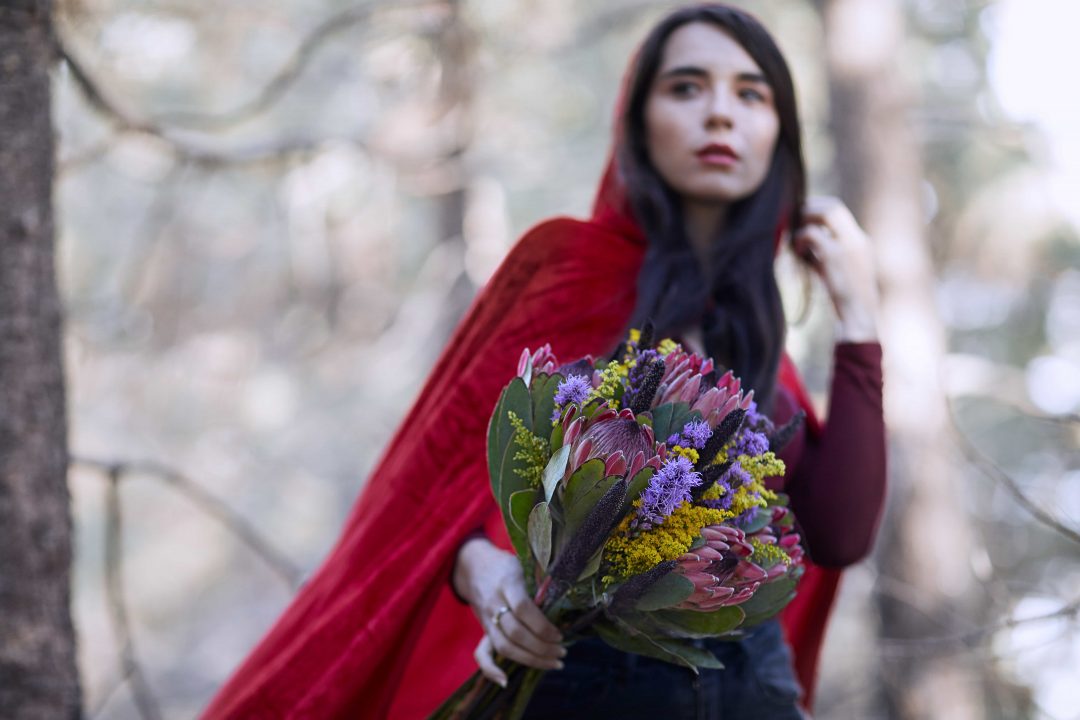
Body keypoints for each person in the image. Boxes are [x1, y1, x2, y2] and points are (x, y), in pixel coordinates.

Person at [201, 4, 885, 719]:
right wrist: (480, 569)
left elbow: (839, 534)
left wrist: (860, 314)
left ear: (781, 135)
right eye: (686, 87)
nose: (721, 114)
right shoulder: (565, 271)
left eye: (751, 94)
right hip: (580, 688)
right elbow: (428, 493)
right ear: (637, 122)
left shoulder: (758, 344)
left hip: (754, 696)